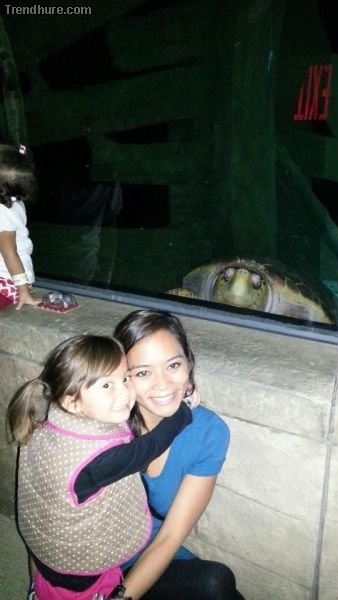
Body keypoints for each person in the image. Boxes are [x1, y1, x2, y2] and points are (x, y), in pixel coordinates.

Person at [7, 334, 193, 600]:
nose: (125, 392)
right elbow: (151, 446)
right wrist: (184, 408)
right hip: (80, 569)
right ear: (72, 401)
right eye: (107, 385)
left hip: (43, 548)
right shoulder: (100, 461)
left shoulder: (49, 421)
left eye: (125, 378)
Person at [114, 310, 245, 600]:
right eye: (143, 372)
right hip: (94, 567)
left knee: (216, 583)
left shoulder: (208, 431)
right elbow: (50, 517)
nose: (163, 384)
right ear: (122, 377)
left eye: (173, 365)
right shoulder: (103, 424)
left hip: (153, 557)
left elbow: (171, 537)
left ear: (189, 363)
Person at [0, 143, 41, 309]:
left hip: (7, 281)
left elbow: (9, 252)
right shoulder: (12, 201)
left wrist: (23, 291)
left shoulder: (3, 212)